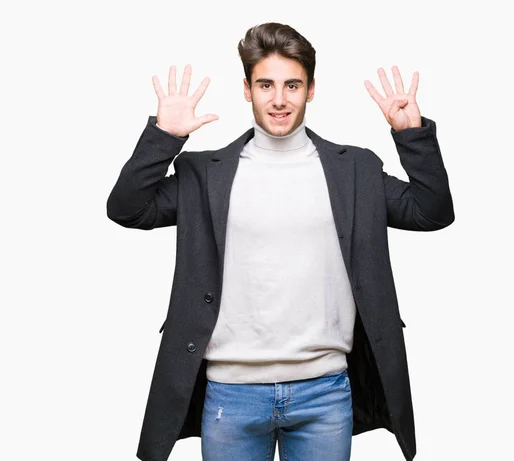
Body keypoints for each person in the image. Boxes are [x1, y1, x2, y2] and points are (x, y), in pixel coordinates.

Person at [107, 22, 454, 461]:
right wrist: (166, 137)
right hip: (231, 395)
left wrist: (412, 134)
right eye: (265, 84)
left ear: (310, 90)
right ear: (247, 89)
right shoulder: (205, 174)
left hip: (324, 392)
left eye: (292, 85)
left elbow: (432, 211)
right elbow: (127, 209)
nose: (278, 99)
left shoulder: (355, 170)